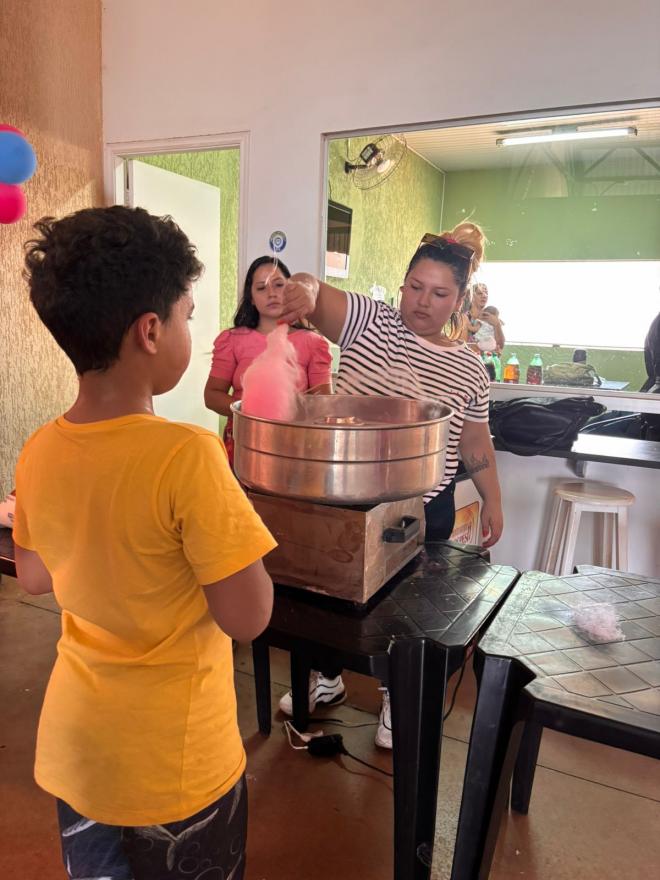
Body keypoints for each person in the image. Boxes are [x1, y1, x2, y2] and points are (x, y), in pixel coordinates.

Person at [13, 206, 276, 880]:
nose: (191, 328)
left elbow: (36, 578)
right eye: (188, 315)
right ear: (151, 331)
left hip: (79, 754)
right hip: (175, 764)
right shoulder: (187, 455)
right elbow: (248, 615)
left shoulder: (39, 451)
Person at [277, 223, 504, 748]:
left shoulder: (471, 366)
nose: (422, 302)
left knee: (401, 614)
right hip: (345, 498)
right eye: (414, 286)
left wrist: (494, 500)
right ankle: (327, 679)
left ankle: (391, 697)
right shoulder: (370, 322)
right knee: (330, 599)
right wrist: (303, 289)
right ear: (401, 285)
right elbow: (316, 293)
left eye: (439, 293)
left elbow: (475, 444)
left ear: (459, 300)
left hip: (421, 510)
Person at [204, 256, 333, 465]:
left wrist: (290, 409)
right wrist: (248, 410)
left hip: (295, 448)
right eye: (261, 288)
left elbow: (324, 403)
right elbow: (211, 396)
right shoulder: (233, 340)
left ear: (291, 289)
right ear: (251, 298)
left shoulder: (313, 344)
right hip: (242, 444)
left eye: (279, 285)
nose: (272, 293)